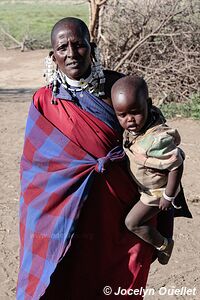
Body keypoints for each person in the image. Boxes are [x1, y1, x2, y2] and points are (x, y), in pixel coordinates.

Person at [16, 18, 157, 300]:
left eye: (79, 45)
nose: (71, 53)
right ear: (52, 55)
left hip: (120, 208)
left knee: (123, 274)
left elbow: (155, 136)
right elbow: (34, 170)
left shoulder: (120, 89)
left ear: (91, 48)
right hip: (69, 212)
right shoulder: (45, 102)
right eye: (62, 47)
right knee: (69, 276)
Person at [111, 75, 185, 265]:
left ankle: (163, 244)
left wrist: (168, 196)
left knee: (132, 223)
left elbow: (177, 164)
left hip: (155, 192)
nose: (130, 120)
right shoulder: (137, 128)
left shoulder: (158, 138)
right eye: (122, 115)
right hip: (143, 185)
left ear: (149, 104)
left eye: (135, 112)